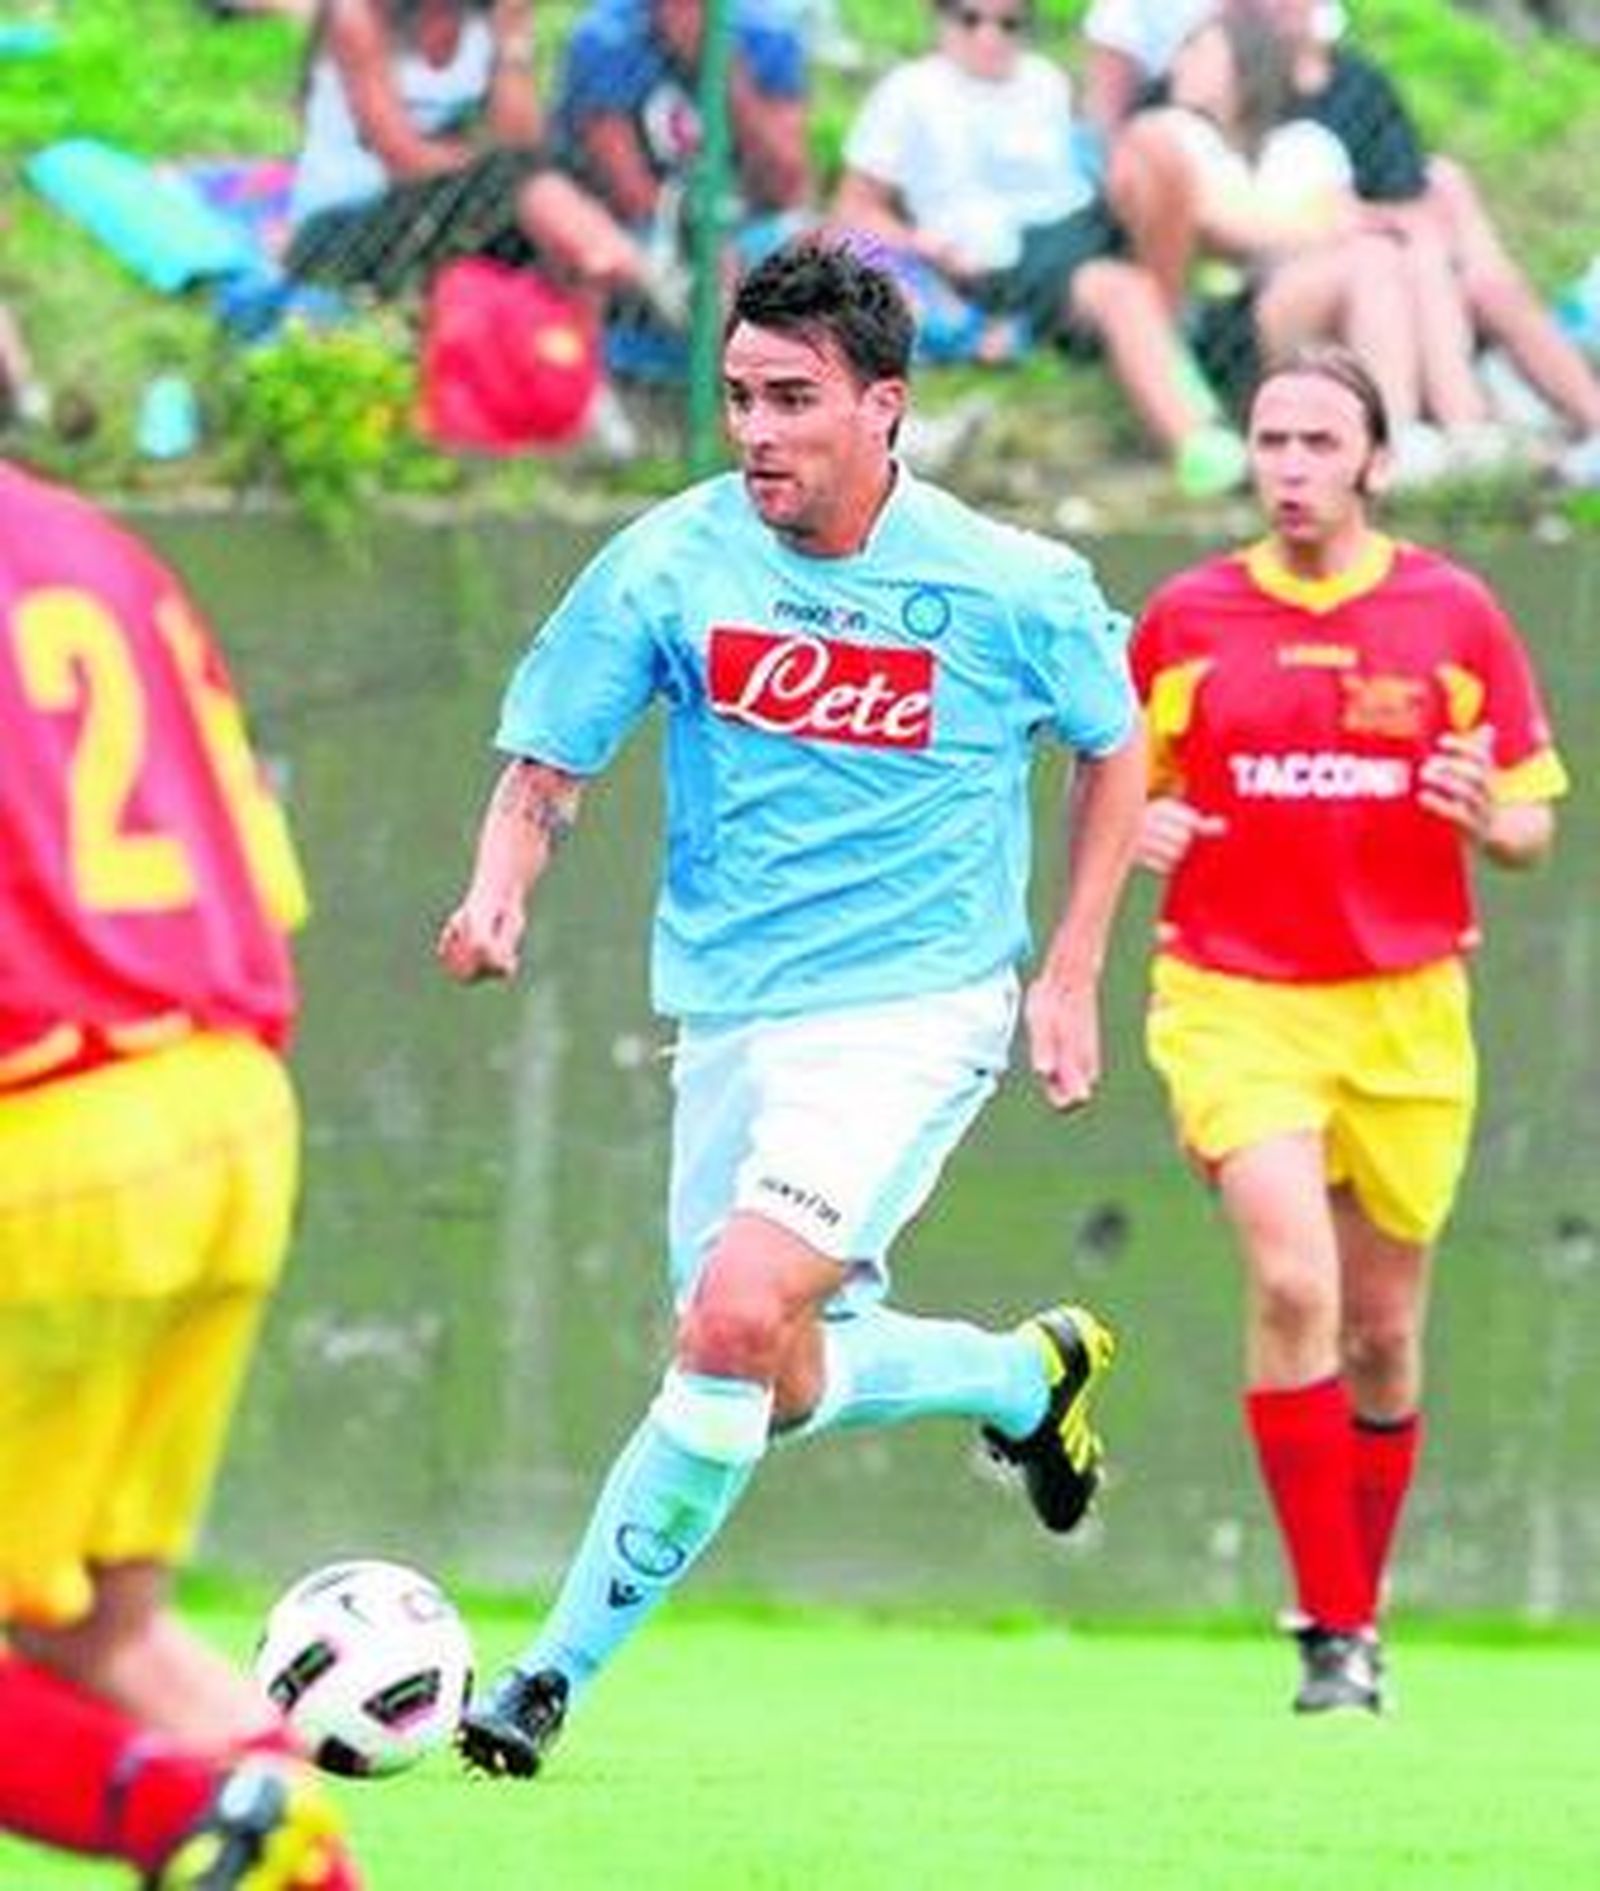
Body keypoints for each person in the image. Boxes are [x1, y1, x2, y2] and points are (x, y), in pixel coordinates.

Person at [437, 235, 1147, 1777]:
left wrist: (1075, 970)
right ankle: (1025, 1374)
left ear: (884, 406)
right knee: (769, 1370)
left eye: (793, 399)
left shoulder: (1011, 583)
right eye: (740, 396)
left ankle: (545, 1675)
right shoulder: (669, 559)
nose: (756, 430)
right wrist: (501, 889)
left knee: (734, 1313)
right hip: (734, 1012)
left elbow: (1116, 741)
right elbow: (548, 765)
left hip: (916, 1006)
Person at [1128, 342, 1567, 1713]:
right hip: (1232, 996)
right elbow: (1109, 791)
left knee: (1380, 1331)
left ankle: (1350, 1611)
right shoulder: (1188, 616)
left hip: (1407, 1008)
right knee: (1296, 1284)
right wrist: (1134, 822)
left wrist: (1489, 816)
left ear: (1375, 459)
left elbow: (1532, 823)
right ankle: (1333, 1635)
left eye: (1322, 443)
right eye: (1272, 442)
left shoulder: (1454, 613)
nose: (1295, 469)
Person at [0, 463, 362, 1885]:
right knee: (104, 1631)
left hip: (40, 1125)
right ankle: (295, 1859)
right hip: (221, 1105)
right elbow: (254, 873)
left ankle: (186, 1819)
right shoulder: (96, 550)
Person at [833, 0, 1248, 500]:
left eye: (1009, 24)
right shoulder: (911, 92)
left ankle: (1184, 331)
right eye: (971, 20)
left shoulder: (1043, 81)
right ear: (942, 21)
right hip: (997, 253)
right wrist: (926, 246)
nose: (990, 36)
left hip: (1077, 222)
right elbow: (855, 207)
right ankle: (1197, 438)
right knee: (1120, 289)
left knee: (1157, 160)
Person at [1119, 9, 1504, 485]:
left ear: (1242, 64)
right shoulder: (1172, 135)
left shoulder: (1303, 142)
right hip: (1232, 320)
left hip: (1314, 294)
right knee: (1373, 251)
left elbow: (1324, 220)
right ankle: (1399, 435)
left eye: (1197, 52)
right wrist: (1319, 225)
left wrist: (1320, 226)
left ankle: (1409, 431)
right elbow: (1231, 228)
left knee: (1382, 255)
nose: (1179, 66)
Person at [286, 0, 672, 314]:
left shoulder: (478, 20)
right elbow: (401, 159)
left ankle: (580, 373)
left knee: (557, 184)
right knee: (521, 183)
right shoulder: (356, 14)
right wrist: (490, 166)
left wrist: (511, 41)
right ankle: (651, 277)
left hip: (443, 207)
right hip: (341, 228)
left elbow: (522, 139)